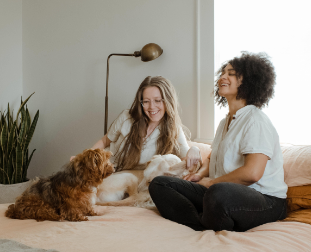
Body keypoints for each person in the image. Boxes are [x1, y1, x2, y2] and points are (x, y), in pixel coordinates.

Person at [149, 52, 288, 232]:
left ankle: (209, 217)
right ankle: (201, 224)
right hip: (221, 192)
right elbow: (213, 156)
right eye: (223, 72)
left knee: (218, 193)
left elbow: (252, 173)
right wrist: (199, 175)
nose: (222, 76)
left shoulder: (256, 120)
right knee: (160, 184)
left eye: (231, 73)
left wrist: (211, 183)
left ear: (248, 81)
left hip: (266, 201)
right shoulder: (225, 122)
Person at [71, 76, 201, 171]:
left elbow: (186, 159)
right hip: (107, 170)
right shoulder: (126, 117)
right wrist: (83, 158)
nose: (151, 107)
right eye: (146, 101)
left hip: (134, 180)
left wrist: (194, 149)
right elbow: (105, 141)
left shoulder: (174, 129)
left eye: (157, 100)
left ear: (167, 101)